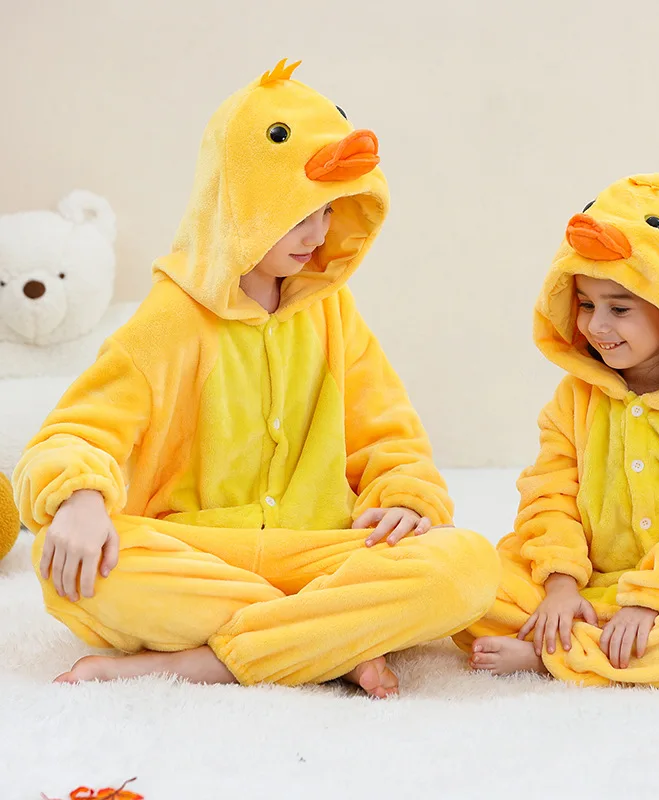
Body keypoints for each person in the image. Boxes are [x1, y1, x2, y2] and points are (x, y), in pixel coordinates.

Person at [13, 59, 499, 698]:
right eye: (297, 216)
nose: (318, 234)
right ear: (239, 204)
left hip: (323, 548)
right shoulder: (172, 318)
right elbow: (76, 431)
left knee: (467, 565)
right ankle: (333, 640)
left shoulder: (333, 312)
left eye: (328, 211)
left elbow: (389, 435)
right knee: (69, 566)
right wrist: (79, 500)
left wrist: (404, 498)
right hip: (197, 551)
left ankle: (211, 661)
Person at [457, 173, 659, 687]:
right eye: (586, 304)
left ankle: (553, 656)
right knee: (469, 587)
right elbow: (550, 494)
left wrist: (650, 597)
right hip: (583, 581)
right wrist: (561, 585)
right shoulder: (574, 398)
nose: (596, 327)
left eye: (619, 308)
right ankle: (602, 643)